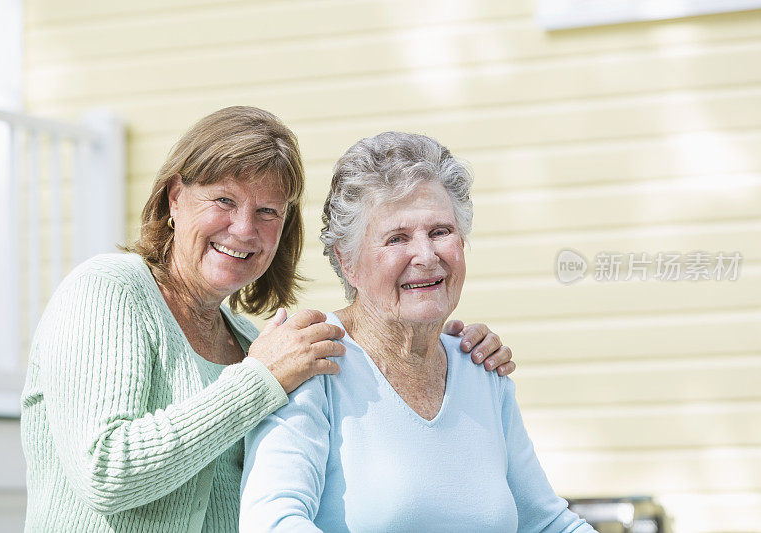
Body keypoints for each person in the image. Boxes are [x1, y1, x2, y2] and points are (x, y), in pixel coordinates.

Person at [20, 107, 515, 532]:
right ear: (175, 199)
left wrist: (444, 347)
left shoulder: (248, 343)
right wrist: (258, 381)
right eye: (224, 200)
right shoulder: (110, 289)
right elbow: (106, 469)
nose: (244, 229)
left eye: (267, 212)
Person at [239, 132, 595, 532]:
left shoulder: (480, 367)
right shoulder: (309, 359)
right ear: (347, 260)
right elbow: (271, 522)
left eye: (440, 231)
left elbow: (547, 523)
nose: (426, 256)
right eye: (397, 238)